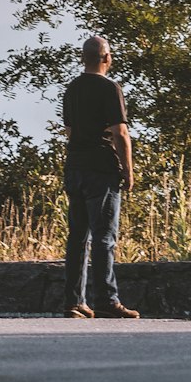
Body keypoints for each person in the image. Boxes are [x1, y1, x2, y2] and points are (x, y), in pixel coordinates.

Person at [61, 35, 139, 319]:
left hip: (75, 167)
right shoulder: (110, 88)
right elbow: (120, 132)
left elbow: (69, 131)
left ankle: (74, 302)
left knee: (77, 237)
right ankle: (106, 299)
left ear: (83, 58)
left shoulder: (71, 89)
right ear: (107, 58)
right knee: (104, 237)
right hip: (101, 169)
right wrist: (128, 170)